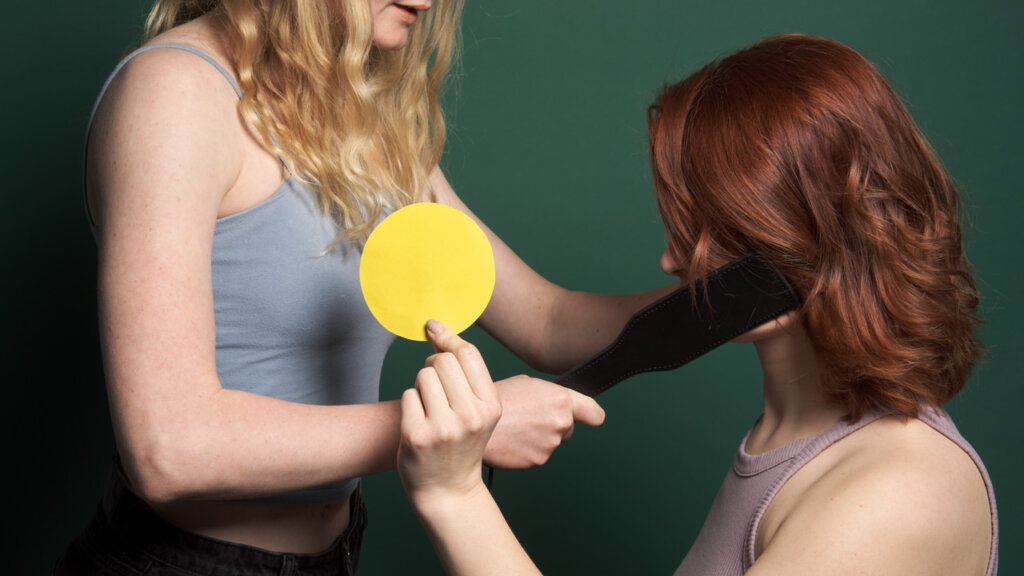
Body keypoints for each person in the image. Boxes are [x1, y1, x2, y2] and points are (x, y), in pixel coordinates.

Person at [55, 1, 675, 574]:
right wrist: (454, 428)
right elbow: (172, 449)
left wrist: (739, 295)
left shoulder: (363, 115)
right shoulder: (176, 91)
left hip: (336, 553)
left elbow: (547, 321)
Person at [395, 34, 999, 576]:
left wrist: (455, 498)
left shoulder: (899, 491)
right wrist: (398, 158)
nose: (671, 260)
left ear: (793, 242)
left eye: (708, 230)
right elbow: (550, 320)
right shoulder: (794, 428)